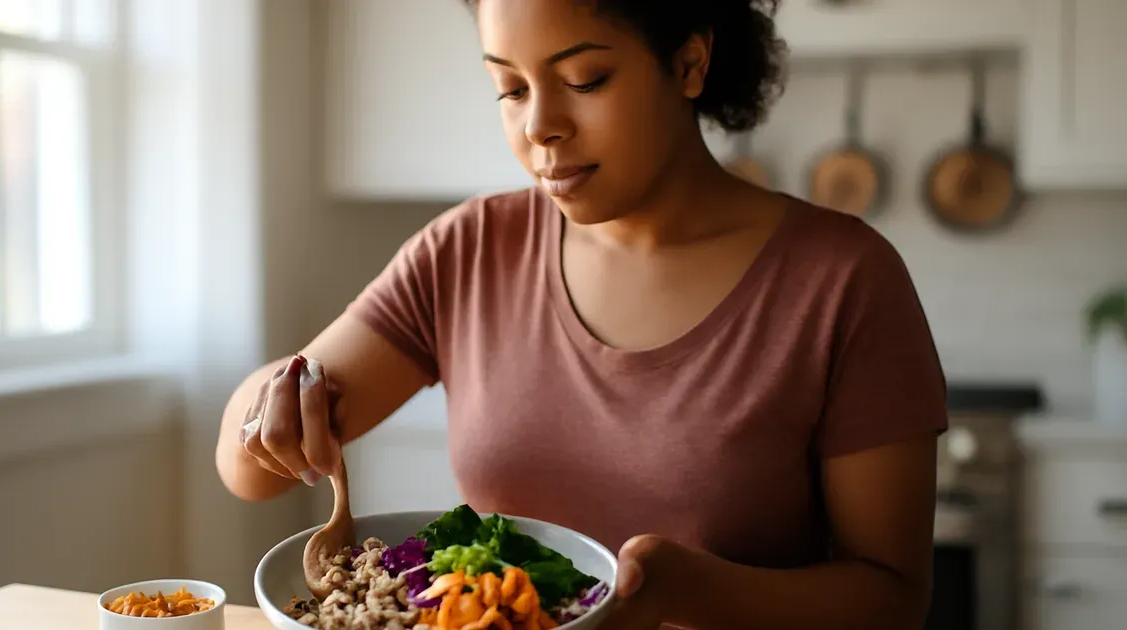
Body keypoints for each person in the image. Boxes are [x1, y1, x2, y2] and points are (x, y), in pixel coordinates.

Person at [215, 0, 949, 628]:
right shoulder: (470, 248)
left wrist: (690, 590)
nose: (540, 126)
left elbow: (893, 600)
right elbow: (250, 476)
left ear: (690, 64)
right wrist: (274, 407)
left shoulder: (844, 279)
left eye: (584, 79)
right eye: (508, 88)